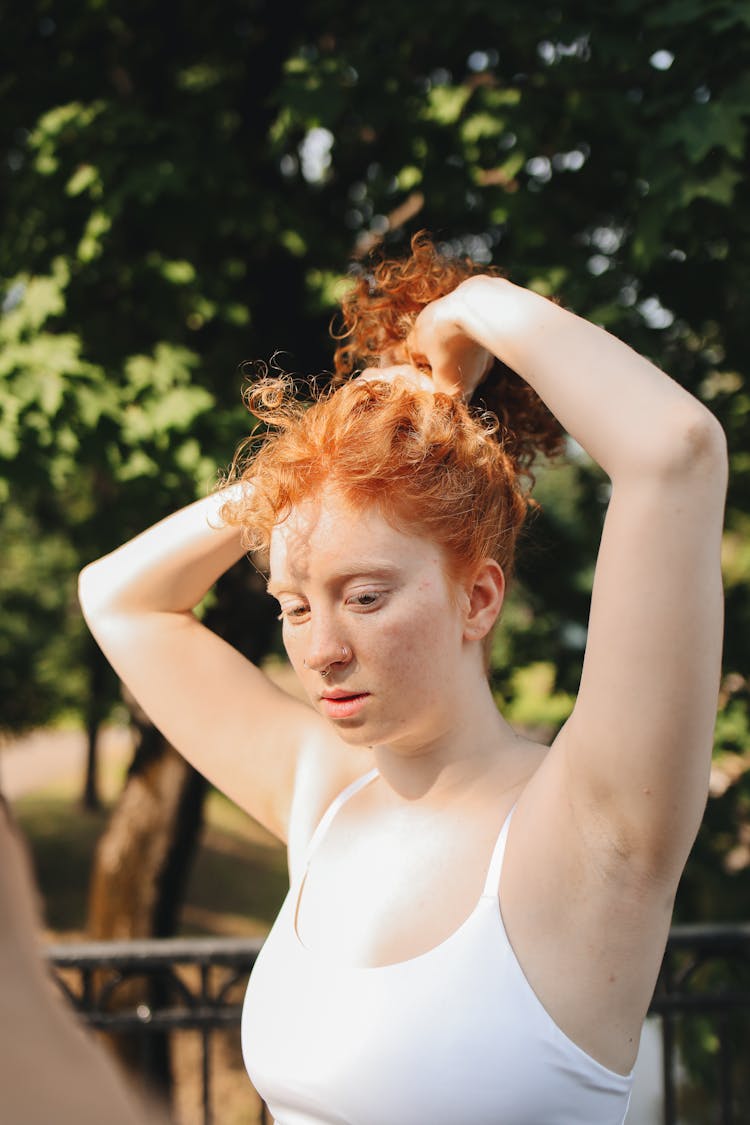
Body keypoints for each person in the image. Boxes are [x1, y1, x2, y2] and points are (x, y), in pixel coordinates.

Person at [78, 234, 727, 1125]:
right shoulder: (327, 795)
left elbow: (677, 451)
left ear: (479, 597)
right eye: (295, 607)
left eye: (366, 595)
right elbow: (117, 599)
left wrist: (477, 308)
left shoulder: (592, 824)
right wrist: (309, 461)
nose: (322, 648)